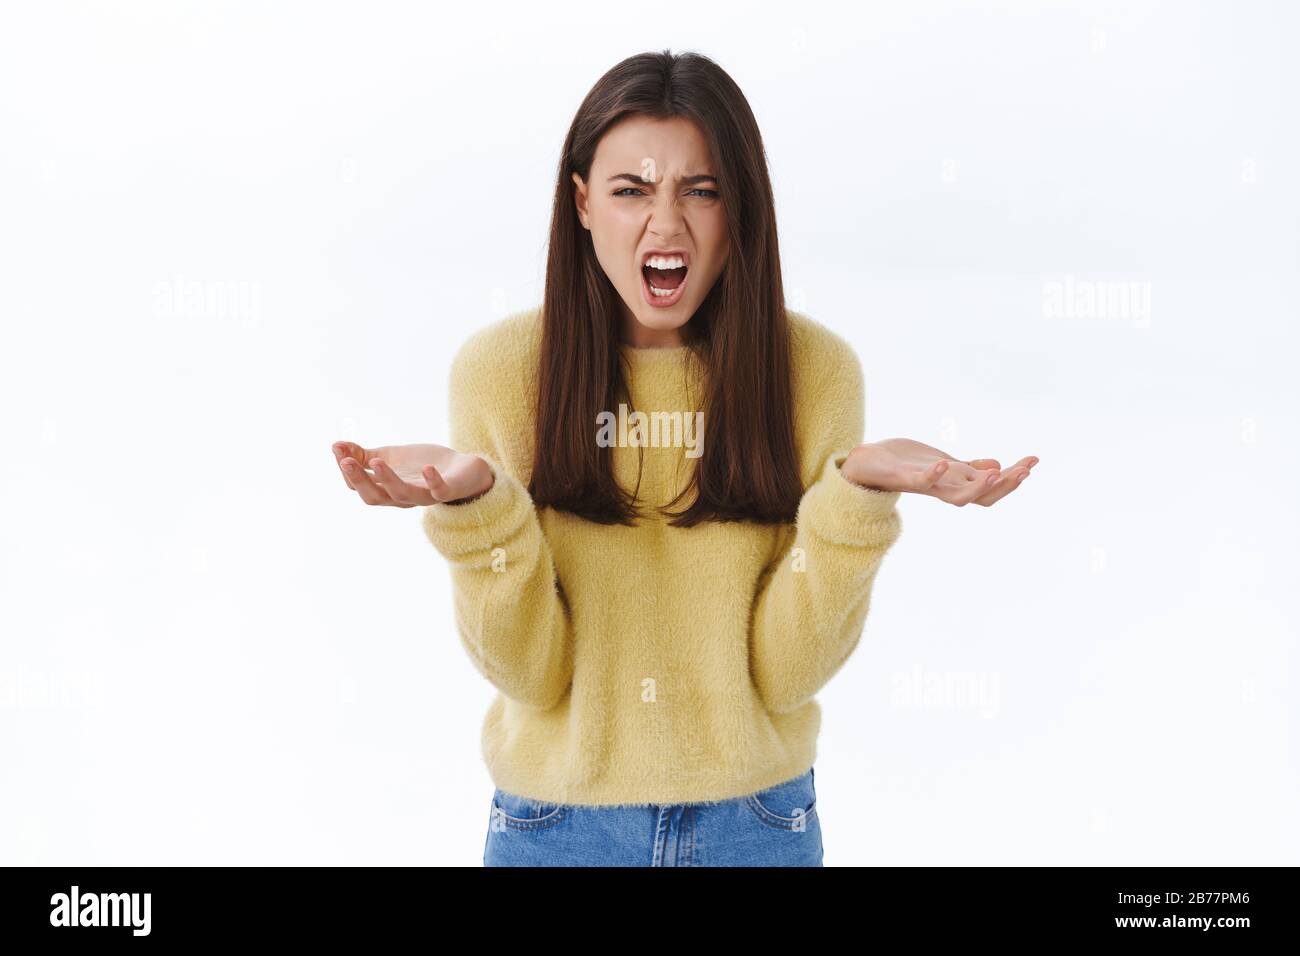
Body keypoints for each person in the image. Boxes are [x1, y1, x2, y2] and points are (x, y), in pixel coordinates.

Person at [331, 49, 1037, 866]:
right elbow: (530, 675)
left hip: (757, 826)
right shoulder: (501, 371)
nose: (666, 225)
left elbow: (783, 675)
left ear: (740, 207)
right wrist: (481, 504)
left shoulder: (813, 371)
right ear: (583, 202)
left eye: (700, 191)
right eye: (632, 190)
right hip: (557, 830)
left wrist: (856, 495)